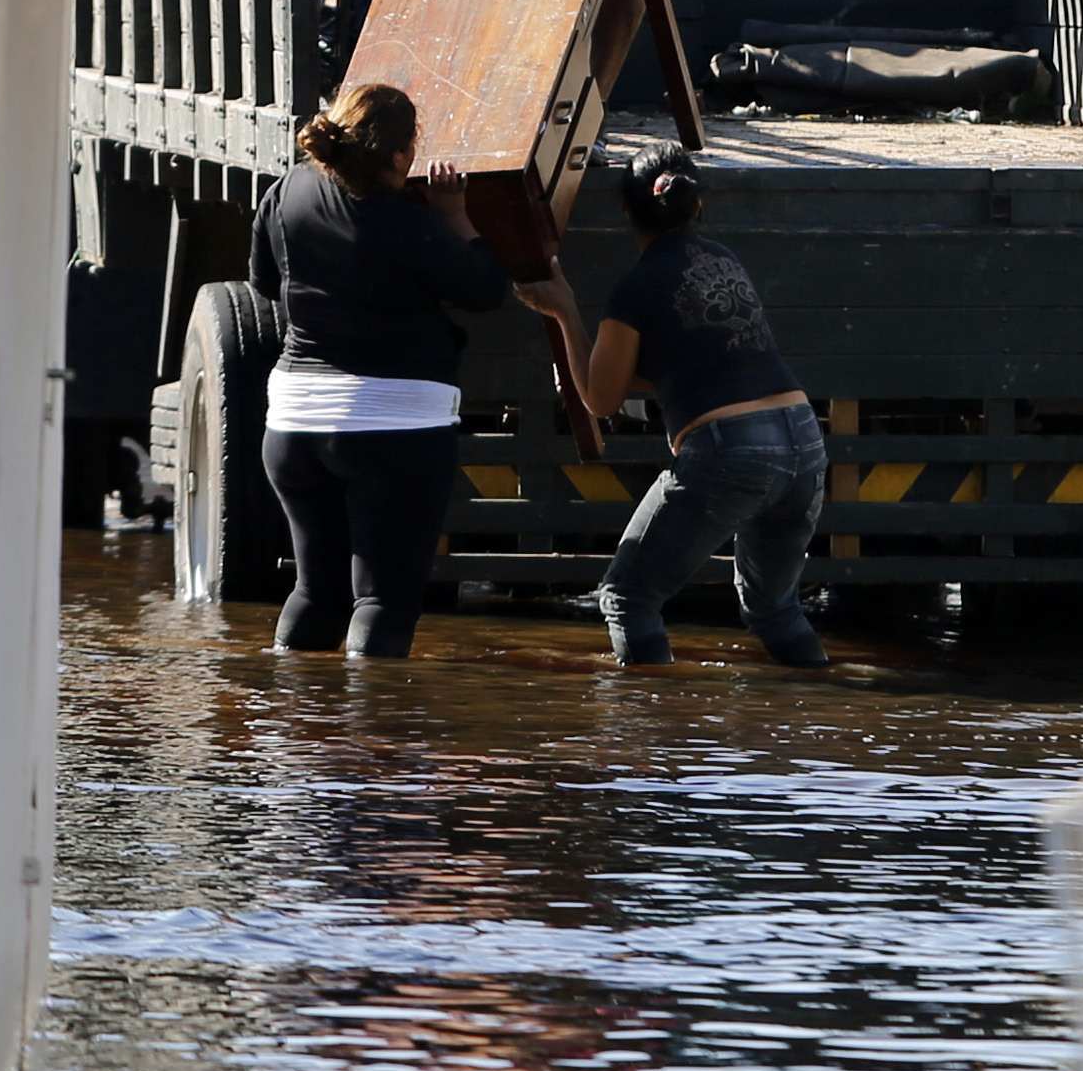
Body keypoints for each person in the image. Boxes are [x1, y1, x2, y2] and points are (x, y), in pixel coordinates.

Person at [251, 82, 582, 658]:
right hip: (393, 429)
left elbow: (263, 282)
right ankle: (373, 742)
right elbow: (483, 289)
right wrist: (459, 218)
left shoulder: (286, 193)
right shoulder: (407, 223)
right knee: (381, 600)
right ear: (402, 156)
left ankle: (295, 736)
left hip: (293, 422)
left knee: (315, 591)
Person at [579, 143, 830, 669]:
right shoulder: (723, 259)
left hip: (733, 449)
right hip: (804, 436)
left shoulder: (635, 288)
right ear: (696, 205)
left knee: (628, 597)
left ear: (627, 211)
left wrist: (561, 308)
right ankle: (818, 710)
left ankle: (654, 740)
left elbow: (600, 399)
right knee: (774, 607)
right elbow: (705, 354)